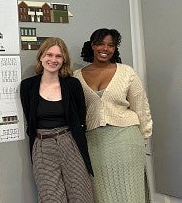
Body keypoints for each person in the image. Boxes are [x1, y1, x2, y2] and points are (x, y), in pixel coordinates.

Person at [74, 28, 152, 203]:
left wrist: (143, 139)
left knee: (131, 195)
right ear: (92, 45)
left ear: (115, 48)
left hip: (127, 142)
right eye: (101, 43)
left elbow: (141, 107)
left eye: (111, 45)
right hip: (95, 145)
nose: (105, 48)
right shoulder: (76, 77)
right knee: (103, 196)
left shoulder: (126, 72)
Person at [20, 37, 94, 203]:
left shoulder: (72, 84)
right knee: (51, 197)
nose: (53, 60)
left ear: (64, 60)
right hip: (42, 145)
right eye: (49, 54)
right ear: (41, 56)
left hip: (70, 142)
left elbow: (81, 118)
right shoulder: (27, 87)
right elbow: (29, 119)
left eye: (58, 56)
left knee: (81, 195)